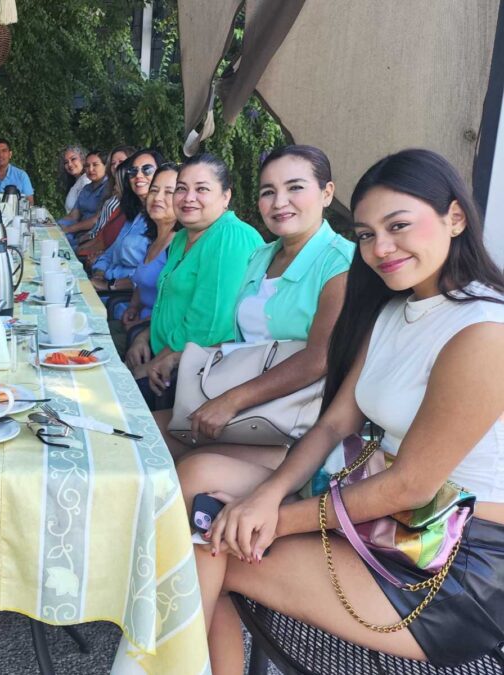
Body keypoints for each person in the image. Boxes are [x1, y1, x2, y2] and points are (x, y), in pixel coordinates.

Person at [177, 149, 504, 673]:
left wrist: (275, 520)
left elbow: (411, 487)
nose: (381, 248)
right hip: (379, 515)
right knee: (197, 477)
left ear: (455, 218)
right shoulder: (396, 308)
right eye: (367, 234)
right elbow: (334, 423)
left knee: (208, 541)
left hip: (451, 563)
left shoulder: (484, 332)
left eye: (398, 225)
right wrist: (267, 494)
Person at [154, 145, 353, 469]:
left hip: (296, 424)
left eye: (295, 188)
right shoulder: (261, 257)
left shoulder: (341, 263)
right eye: (268, 192)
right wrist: (179, 355)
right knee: (143, 433)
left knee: (192, 471)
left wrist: (232, 401)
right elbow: (249, 342)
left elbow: (320, 358)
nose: (279, 202)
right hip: (245, 405)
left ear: (327, 192)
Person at [129, 153, 264, 409]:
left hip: (199, 372)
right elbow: (171, 303)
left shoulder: (230, 237)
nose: (188, 198)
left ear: (226, 196)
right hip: (165, 356)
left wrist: (151, 365)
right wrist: (144, 337)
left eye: (201, 189)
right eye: (181, 189)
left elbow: (208, 323)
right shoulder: (182, 238)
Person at [89, 149, 166, 313]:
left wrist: (110, 285)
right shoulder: (136, 215)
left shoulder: (165, 222)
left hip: (123, 302)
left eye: (147, 169)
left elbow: (150, 276)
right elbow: (111, 252)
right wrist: (99, 274)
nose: (139, 175)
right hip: (105, 291)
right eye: (133, 171)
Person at [119, 163, 179, 350]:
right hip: (135, 325)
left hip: (156, 338)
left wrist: (141, 327)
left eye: (169, 192)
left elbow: (177, 307)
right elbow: (143, 280)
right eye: (154, 190)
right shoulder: (154, 238)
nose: (158, 197)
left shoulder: (179, 245)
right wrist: (133, 307)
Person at [77, 145, 137, 261]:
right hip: (94, 241)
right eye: (113, 163)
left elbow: (110, 235)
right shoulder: (110, 189)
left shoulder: (130, 200)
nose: (116, 166)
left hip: (102, 250)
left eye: (121, 162)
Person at [59, 150, 109, 245]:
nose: (90, 169)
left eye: (95, 165)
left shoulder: (108, 188)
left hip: (93, 238)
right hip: (78, 232)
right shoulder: (86, 188)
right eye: (87, 166)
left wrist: (69, 229)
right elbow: (74, 215)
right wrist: (56, 224)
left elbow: (97, 220)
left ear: (106, 166)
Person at [59, 145, 89, 214]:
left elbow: (84, 214)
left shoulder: (85, 180)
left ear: (83, 159)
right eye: (66, 162)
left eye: (73, 159)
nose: (69, 164)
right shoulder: (77, 181)